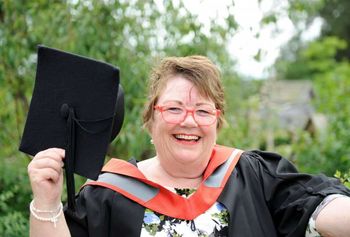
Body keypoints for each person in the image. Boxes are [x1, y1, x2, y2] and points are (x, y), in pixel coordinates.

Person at [28, 55, 350, 237]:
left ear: (217, 121)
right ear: (150, 120)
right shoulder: (106, 194)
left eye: (203, 110)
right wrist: (46, 203)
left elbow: (316, 204)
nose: (189, 121)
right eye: (174, 108)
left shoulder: (252, 174)